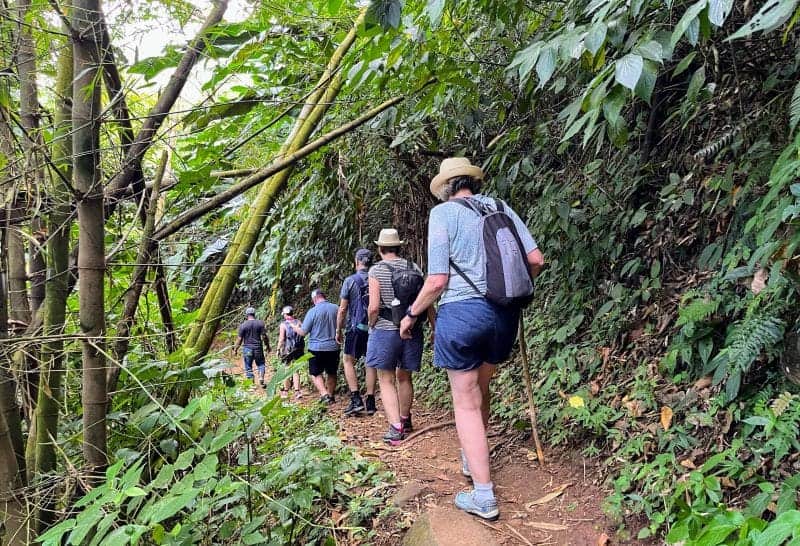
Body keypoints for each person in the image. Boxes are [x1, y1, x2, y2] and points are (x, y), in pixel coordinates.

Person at [399, 157, 544, 521]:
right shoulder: (499, 206)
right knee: (482, 387)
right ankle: (472, 453)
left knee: (465, 400)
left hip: (462, 315)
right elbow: (536, 260)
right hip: (503, 315)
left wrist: (412, 314)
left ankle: (484, 495)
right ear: (472, 183)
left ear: (445, 187)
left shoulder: (443, 214)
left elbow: (437, 280)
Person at [366, 228, 433, 445]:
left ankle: (396, 428)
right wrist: (434, 326)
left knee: (385, 379)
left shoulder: (376, 271)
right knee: (404, 376)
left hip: (386, 330)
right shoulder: (414, 268)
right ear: (399, 246)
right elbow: (427, 301)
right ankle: (405, 419)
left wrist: (371, 324)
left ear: (380, 248)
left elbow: (374, 307)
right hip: (412, 329)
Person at [336, 248, 378, 416]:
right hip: (374, 327)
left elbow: (342, 309)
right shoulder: (377, 278)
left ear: (357, 261)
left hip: (356, 327)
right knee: (370, 362)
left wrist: (338, 329)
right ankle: (370, 401)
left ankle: (355, 399)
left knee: (347, 360)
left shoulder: (350, 281)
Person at [290, 289, 340, 404]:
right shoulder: (336, 308)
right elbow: (343, 324)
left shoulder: (313, 311)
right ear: (324, 296)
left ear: (314, 298)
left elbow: (303, 332)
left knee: (315, 372)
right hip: (333, 347)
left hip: (316, 348)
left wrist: (294, 327)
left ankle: (324, 394)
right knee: (331, 372)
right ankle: (331, 396)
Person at [233, 307, 271, 388]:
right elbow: (264, 336)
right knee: (261, 364)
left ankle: (251, 384)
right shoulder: (260, 323)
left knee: (248, 366)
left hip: (247, 349)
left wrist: (235, 349)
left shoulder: (243, 325)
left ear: (247, 315)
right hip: (258, 348)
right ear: (254, 314)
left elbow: (239, 339)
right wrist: (267, 346)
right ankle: (261, 377)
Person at [277, 305, 304, 399]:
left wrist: (278, 349)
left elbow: (281, 339)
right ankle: (297, 391)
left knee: (287, 369)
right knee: (296, 370)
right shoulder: (299, 322)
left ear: (285, 314)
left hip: (288, 350)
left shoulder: (283, 325)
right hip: (298, 350)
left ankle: (285, 391)